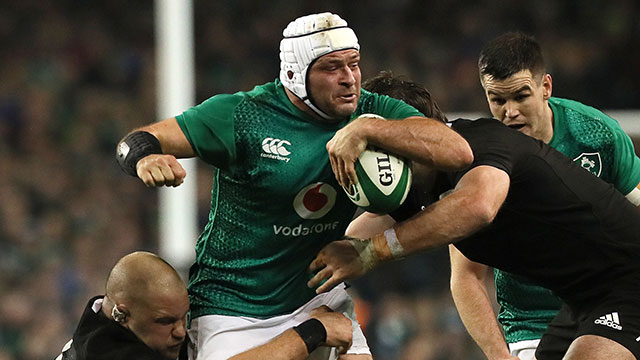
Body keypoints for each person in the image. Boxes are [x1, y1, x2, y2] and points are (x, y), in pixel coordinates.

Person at [114, 12, 472, 359]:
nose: (349, 78)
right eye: (332, 68)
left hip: (315, 297)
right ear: (295, 74)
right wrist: (147, 158)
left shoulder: (372, 111)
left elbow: (457, 151)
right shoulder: (244, 116)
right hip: (232, 307)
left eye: (354, 63)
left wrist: (367, 129)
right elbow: (136, 141)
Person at [307, 75, 640, 359]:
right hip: (584, 299)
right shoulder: (415, 188)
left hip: (629, 276)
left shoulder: (482, 143)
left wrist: (374, 252)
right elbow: (345, 245)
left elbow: (478, 206)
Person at [447, 32, 640, 360]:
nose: (509, 112)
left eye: (521, 96)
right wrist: (498, 355)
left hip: (607, 300)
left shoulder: (597, 135)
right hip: (530, 321)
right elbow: (466, 275)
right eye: (497, 100)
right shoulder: (477, 162)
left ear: (546, 87)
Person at [56, 251, 358, 360]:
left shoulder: (109, 315)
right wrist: (311, 332)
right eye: (164, 322)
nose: (179, 332)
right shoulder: (107, 354)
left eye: (182, 318)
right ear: (123, 314)